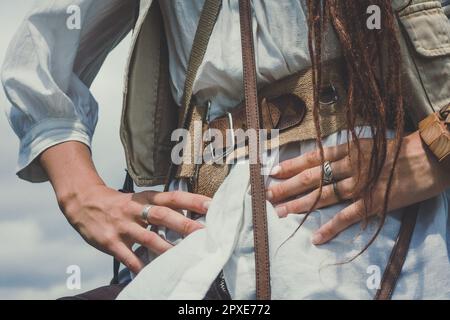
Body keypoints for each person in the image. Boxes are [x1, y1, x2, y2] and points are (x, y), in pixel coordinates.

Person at [2, 0, 450, 300]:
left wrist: (438, 146)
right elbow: (44, 42)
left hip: (381, 238)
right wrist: (81, 193)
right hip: (198, 235)